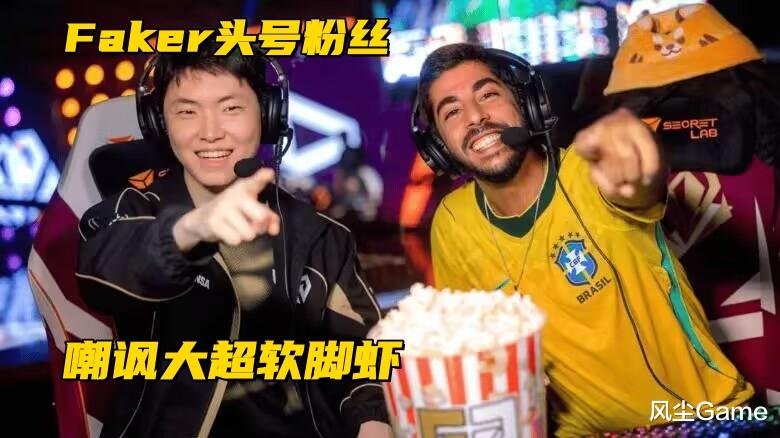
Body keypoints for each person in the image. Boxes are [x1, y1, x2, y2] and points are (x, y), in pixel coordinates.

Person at [415, 43, 754, 436]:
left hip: (702, 421)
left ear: (527, 105)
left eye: (488, 94)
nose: (475, 117)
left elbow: (635, 184)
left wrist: (635, 152)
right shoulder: (453, 222)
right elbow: (474, 355)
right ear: (439, 146)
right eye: (452, 112)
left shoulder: (589, 171)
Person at [76, 40, 391, 438]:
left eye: (231, 108)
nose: (210, 133)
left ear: (269, 115)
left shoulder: (320, 236)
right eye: (187, 112)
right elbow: (104, 271)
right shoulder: (128, 212)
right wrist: (192, 229)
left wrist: (373, 421)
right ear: (159, 123)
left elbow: (366, 358)